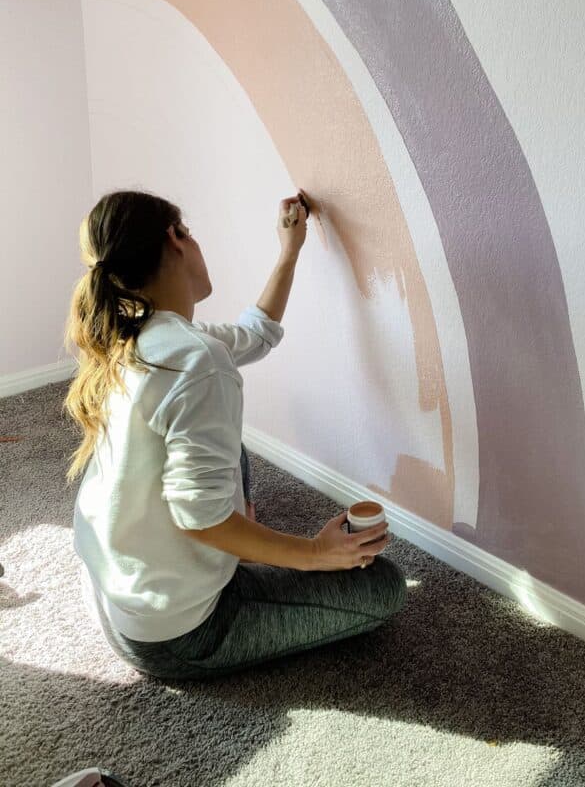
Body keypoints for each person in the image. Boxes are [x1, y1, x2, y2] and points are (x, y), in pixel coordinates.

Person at [63, 188, 407, 680]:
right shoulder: (196, 361)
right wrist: (314, 554)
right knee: (384, 588)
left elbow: (256, 333)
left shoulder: (138, 333)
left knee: (231, 451)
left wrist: (290, 251)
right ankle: (242, 560)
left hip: (117, 594)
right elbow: (199, 517)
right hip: (178, 634)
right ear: (175, 238)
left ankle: (241, 547)